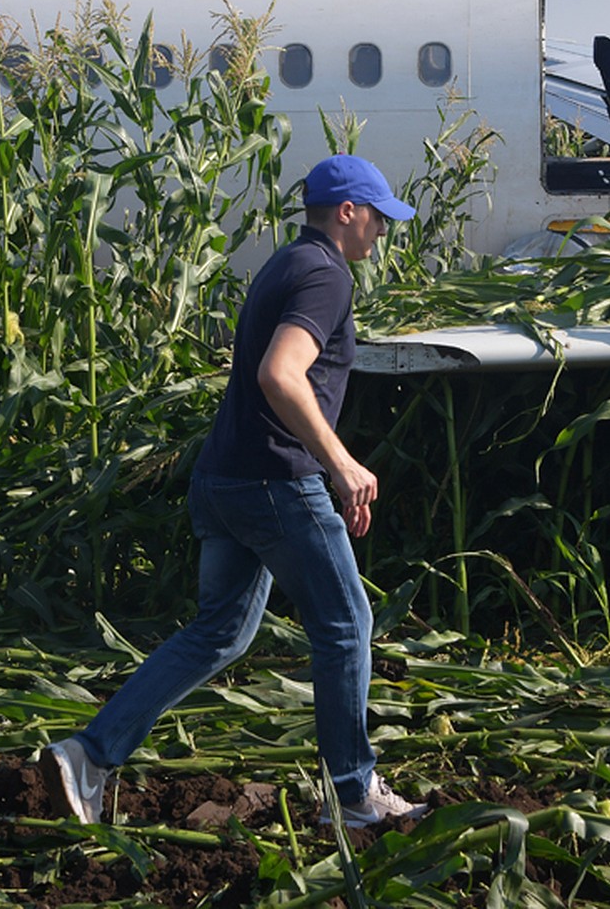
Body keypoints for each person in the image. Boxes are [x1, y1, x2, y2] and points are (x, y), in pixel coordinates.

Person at [40, 154, 427, 829]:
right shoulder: (327, 275)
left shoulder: (287, 262)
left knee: (220, 631)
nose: (382, 232)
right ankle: (355, 795)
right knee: (346, 626)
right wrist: (340, 462)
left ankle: (88, 755)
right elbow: (282, 373)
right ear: (347, 212)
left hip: (223, 480)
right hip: (276, 482)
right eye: (377, 217)